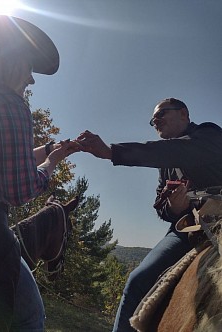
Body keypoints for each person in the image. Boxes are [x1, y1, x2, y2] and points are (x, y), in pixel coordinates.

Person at [77, 97, 222, 332]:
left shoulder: (209, 134)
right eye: (152, 119)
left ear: (184, 113)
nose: (155, 121)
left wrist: (111, 152)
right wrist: (175, 208)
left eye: (161, 114)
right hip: (185, 229)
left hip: (220, 219)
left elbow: (179, 152)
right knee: (137, 281)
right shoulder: (164, 165)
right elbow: (161, 207)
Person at [0, 15, 79, 331]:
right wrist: (52, 165)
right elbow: (18, 190)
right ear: (8, 60)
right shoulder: (8, 104)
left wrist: (49, 150)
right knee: (29, 316)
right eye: (28, 66)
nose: (31, 79)